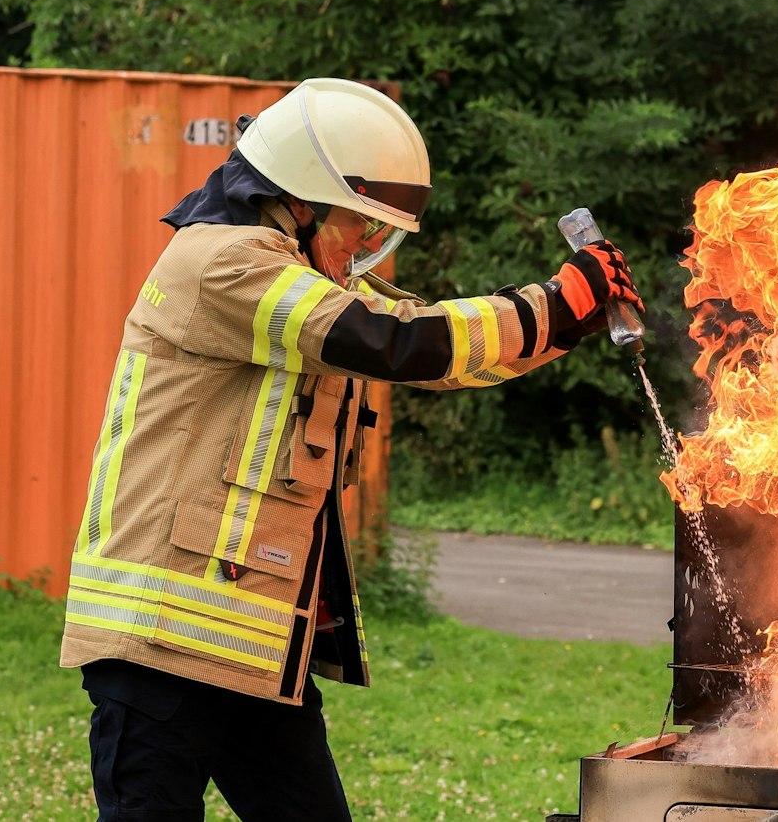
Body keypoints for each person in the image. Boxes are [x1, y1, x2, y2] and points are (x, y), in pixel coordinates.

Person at [60, 78, 644, 821]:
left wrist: (563, 323)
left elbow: (432, 342)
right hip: (158, 647)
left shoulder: (298, 277)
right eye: (358, 222)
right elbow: (393, 342)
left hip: (252, 652)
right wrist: (555, 303)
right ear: (301, 199)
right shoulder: (226, 264)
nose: (368, 245)